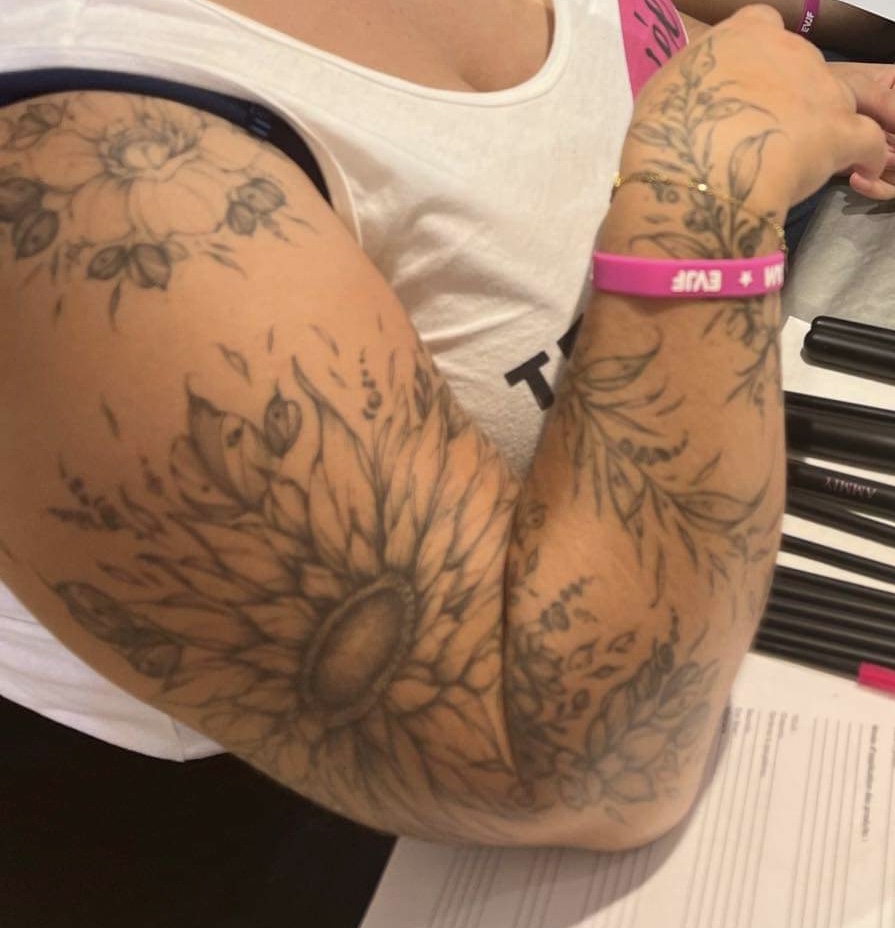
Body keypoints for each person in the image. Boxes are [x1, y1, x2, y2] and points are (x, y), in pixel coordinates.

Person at [1, 0, 894, 919]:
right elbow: (574, 770)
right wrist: (709, 189)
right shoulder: (81, 166)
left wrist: (805, 96)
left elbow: (600, 55)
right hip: (298, 833)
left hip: (669, 567)